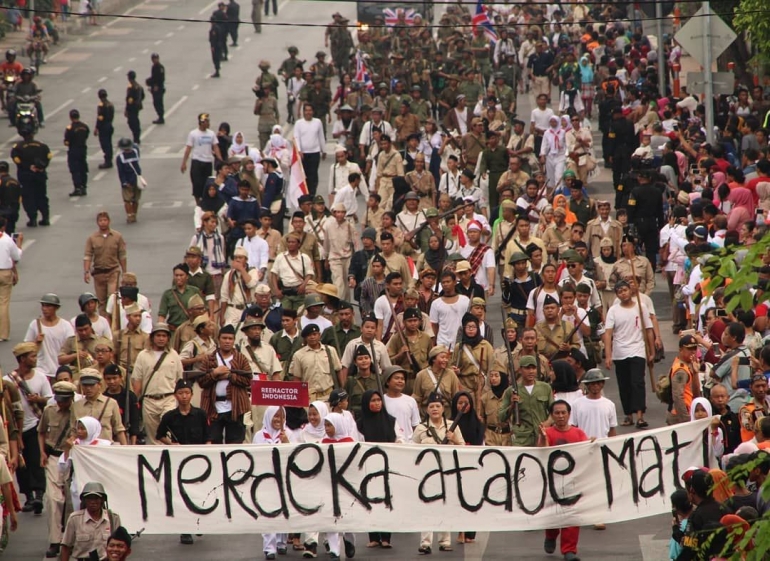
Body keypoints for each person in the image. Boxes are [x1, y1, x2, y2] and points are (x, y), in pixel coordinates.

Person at [412, 392, 463, 554]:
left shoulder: (452, 426)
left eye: (438, 406)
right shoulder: (421, 428)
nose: (434, 409)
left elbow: (463, 448)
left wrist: (453, 439)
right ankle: (425, 543)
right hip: (427, 473)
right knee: (426, 507)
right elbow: (412, 450)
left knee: (444, 506)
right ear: (426, 410)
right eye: (431, 406)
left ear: (443, 409)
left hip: (447, 471)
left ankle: (445, 541)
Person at [539, 400, 588, 561]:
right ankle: (551, 535)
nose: (560, 416)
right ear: (552, 415)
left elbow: (586, 454)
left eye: (563, 413)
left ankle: (569, 550)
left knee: (572, 515)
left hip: (573, 483)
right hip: (553, 483)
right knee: (554, 514)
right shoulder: (547, 433)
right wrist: (542, 438)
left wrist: (594, 444)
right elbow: (541, 454)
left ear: (569, 413)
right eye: (557, 413)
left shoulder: (579, 434)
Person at [6, 341, 51, 513]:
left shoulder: (40, 377)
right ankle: (28, 497)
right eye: (32, 356)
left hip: (34, 425)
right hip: (15, 429)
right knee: (20, 463)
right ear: (22, 359)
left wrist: (38, 400)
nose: (35, 358)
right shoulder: (8, 381)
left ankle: (39, 495)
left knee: (36, 460)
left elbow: (50, 399)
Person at [603, 280, 655, 429]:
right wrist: (608, 355)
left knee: (637, 382)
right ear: (617, 294)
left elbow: (649, 329)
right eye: (619, 291)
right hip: (620, 352)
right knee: (624, 384)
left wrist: (651, 351)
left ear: (630, 290)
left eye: (625, 290)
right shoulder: (613, 310)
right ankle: (628, 415)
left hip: (637, 349)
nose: (623, 293)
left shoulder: (641, 306)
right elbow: (608, 333)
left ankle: (640, 415)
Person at [37, 380, 76, 559]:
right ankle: (55, 540)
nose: (61, 403)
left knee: (70, 499)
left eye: (65, 400)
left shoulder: (78, 412)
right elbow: (41, 431)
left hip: (73, 457)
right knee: (54, 500)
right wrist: (42, 452)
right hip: (53, 457)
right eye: (59, 399)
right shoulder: (49, 410)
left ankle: (69, 540)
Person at [199, 324, 251, 444]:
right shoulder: (209, 359)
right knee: (213, 441)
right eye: (224, 338)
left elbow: (248, 380)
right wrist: (215, 373)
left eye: (230, 339)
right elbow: (201, 381)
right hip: (213, 407)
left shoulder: (241, 359)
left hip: (236, 407)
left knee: (235, 442)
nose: (227, 341)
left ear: (233, 340)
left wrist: (230, 376)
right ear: (218, 339)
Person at [131, 323, 183, 444]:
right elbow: (137, 379)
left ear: (168, 338)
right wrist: (135, 402)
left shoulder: (174, 355)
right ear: (152, 337)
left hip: (169, 398)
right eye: (158, 335)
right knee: (153, 436)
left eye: (164, 336)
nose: (161, 338)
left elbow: (179, 379)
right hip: (149, 400)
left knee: (169, 432)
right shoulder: (143, 355)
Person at [252, 406, 290, 558]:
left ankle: (282, 542)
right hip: (265, 480)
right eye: (275, 416)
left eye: (281, 416)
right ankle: (269, 548)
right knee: (267, 513)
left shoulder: (288, 434)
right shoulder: (259, 436)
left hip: (284, 480)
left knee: (283, 513)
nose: (278, 420)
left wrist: (287, 442)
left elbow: (295, 456)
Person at [60, 482, 121, 561]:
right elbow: (66, 547)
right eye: (89, 498)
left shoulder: (113, 519)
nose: (93, 501)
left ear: (102, 500)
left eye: (96, 498)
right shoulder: (75, 519)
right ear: (84, 500)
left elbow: (120, 547)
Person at [83, 212, 127, 314]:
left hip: (113, 271)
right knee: (101, 301)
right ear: (97, 222)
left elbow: (122, 255)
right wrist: (86, 271)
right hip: (99, 274)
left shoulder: (117, 236)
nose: (103, 223)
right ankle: (104, 322)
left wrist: (124, 272)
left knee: (112, 297)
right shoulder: (92, 238)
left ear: (109, 221)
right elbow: (88, 255)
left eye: (105, 220)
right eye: (100, 221)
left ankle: (113, 321)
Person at [11, 128, 52, 227]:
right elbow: (49, 156)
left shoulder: (18, 147)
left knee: (28, 197)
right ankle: (45, 217)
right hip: (40, 175)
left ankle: (32, 219)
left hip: (26, 176)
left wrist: (27, 167)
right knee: (41, 195)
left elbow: (16, 160)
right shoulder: (42, 145)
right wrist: (41, 167)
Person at [181, 113, 223, 204]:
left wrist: (220, 159)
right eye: (206, 121)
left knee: (207, 184)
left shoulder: (211, 134)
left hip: (207, 162)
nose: (208, 123)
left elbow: (215, 147)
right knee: (197, 184)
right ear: (201, 122)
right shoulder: (193, 134)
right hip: (197, 162)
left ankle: (205, 202)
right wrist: (184, 162)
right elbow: (188, 148)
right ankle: (198, 204)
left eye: (208, 121)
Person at [667, 334, 701, 425]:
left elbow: (695, 393)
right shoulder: (681, 370)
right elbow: (678, 396)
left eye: (695, 348)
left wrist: (695, 372)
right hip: (680, 415)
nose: (693, 351)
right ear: (681, 350)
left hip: (686, 412)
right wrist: (686, 420)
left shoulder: (687, 364)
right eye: (689, 349)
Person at [294, 104, 326, 196]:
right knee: (304, 174)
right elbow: (296, 137)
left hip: (314, 152)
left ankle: (312, 194)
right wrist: (299, 150)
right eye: (306, 110)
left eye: (310, 110)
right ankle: (305, 193)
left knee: (313, 174)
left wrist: (323, 150)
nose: (308, 112)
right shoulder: (299, 123)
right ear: (303, 112)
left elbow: (321, 137)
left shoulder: (318, 122)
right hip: (303, 154)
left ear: (313, 112)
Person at [0, 216, 20, 341]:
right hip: (4, 273)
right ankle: (2, 334)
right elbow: (16, 256)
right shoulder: (7, 239)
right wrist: (19, 243)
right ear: (3, 226)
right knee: (3, 303)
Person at [115, 137, 142, 223]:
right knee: (135, 199)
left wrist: (124, 182)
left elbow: (121, 172)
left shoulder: (120, 157)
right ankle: (133, 214)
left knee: (127, 200)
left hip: (128, 181)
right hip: (137, 179)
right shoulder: (135, 152)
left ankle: (130, 215)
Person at [64, 109, 90, 197]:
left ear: (70, 117)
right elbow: (86, 136)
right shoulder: (85, 126)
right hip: (83, 149)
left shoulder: (70, 128)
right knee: (83, 168)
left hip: (74, 150)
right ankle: (84, 187)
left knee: (75, 169)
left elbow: (66, 141)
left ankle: (77, 188)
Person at [94, 89, 115, 169]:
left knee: (105, 144)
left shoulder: (101, 106)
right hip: (109, 125)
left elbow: (100, 118)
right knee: (109, 144)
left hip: (104, 127)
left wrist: (97, 128)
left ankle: (108, 161)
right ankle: (109, 160)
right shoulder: (110, 104)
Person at [124, 70, 144, 144]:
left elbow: (129, 99)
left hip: (132, 108)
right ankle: (136, 137)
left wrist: (127, 109)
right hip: (137, 107)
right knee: (134, 121)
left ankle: (136, 138)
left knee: (132, 122)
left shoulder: (131, 87)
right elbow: (142, 96)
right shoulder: (138, 86)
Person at [146, 53, 165, 125]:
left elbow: (161, 79)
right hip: (154, 87)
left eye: (156, 58)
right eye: (153, 59)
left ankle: (161, 117)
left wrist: (156, 85)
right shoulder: (154, 67)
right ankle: (160, 116)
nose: (154, 60)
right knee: (155, 103)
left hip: (159, 88)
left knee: (159, 102)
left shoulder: (160, 67)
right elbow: (153, 77)